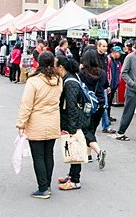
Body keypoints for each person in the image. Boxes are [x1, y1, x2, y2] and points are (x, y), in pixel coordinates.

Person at [15, 51, 62, 199]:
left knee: (39, 156)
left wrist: (21, 123)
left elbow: (26, 104)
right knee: (49, 154)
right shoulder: (58, 79)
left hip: (37, 122)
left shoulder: (33, 81)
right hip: (53, 120)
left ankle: (43, 188)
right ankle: (47, 184)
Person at [55, 56, 86, 191]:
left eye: (55, 65)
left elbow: (72, 106)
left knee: (74, 148)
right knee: (72, 147)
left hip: (73, 120)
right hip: (72, 120)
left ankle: (75, 180)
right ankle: (71, 174)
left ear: (61, 67)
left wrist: (72, 128)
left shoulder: (70, 82)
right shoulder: (70, 78)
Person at [78, 49, 107, 167]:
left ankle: (99, 152)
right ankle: (88, 155)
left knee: (86, 130)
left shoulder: (81, 73)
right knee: (92, 129)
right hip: (100, 104)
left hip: (87, 105)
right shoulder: (102, 73)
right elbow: (105, 86)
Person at [102, 45, 123, 133]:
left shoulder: (118, 61)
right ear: (114, 52)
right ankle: (106, 123)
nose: (120, 55)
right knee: (106, 104)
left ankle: (108, 117)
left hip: (114, 85)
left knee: (109, 103)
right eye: (119, 53)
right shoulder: (108, 60)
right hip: (108, 85)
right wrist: (108, 85)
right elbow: (107, 72)